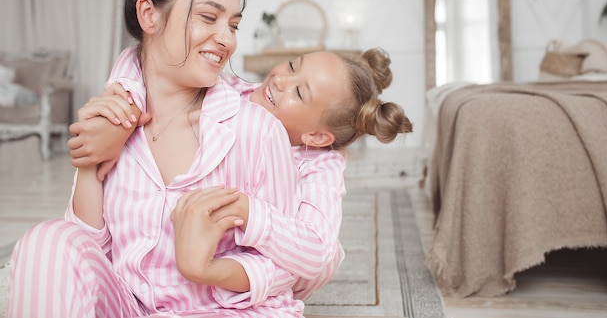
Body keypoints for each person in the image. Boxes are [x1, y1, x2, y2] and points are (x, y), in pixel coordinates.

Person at [7, 0, 307, 318]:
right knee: (46, 242)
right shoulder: (112, 119)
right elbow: (86, 255)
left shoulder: (255, 130)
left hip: (223, 312)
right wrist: (88, 166)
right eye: (208, 18)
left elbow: (286, 267)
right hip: (128, 307)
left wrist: (209, 268)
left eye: (232, 25)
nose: (227, 39)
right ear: (149, 15)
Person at [69, 44, 414, 302]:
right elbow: (138, 56)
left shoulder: (320, 164)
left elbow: (315, 252)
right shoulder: (231, 92)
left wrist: (247, 212)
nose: (281, 79)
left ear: (318, 137)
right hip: (188, 245)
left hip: (256, 263)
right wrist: (124, 106)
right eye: (293, 65)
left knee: (324, 257)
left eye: (298, 92)